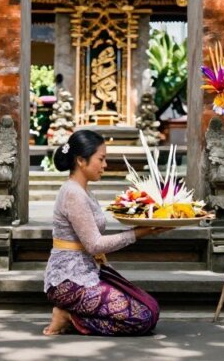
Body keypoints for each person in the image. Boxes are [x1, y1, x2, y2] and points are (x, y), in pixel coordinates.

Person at [43, 130, 170, 336]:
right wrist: (139, 233)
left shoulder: (83, 190)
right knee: (142, 318)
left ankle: (71, 315)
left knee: (151, 308)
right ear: (81, 161)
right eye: (101, 159)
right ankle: (69, 317)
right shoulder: (73, 193)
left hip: (89, 272)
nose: (105, 166)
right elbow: (94, 245)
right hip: (68, 282)